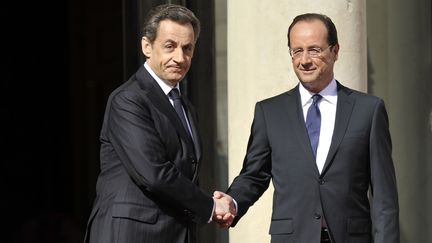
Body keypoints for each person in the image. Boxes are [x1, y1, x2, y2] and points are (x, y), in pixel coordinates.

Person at [214, 13, 399, 242]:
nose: (304, 60)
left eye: (314, 50)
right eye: (297, 51)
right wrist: (232, 201)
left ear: (335, 51)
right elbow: (254, 175)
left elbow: (384, 197)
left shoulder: (368, 111)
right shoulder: (270, 112)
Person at [83, 4, 234, 243]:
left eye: (187, 48)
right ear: (147, 46)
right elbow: (154, 173)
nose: (179, 57)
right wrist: (210, 207)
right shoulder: (128, 99)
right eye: (170, 46)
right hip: (132, 235)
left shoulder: (186, 107)